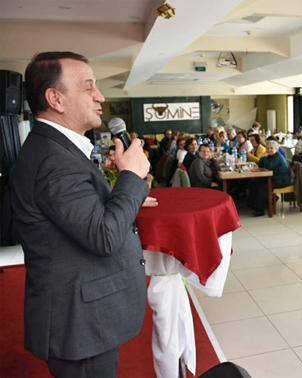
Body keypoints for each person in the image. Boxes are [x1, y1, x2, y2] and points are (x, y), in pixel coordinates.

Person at [12, 51, 156, 377]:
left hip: (86, 315)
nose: (100, 96)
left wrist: (125, 197)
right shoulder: (53, 160)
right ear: (56, 99)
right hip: (81, 322)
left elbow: (79, 214)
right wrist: (130, 179)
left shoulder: (57, 149)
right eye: (88, 86)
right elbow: (103, 236)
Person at [247, 140, 290, 217]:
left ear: (276, 149)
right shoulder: (269, 156)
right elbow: (261, 165)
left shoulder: (278, 157)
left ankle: (260, 210)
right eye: (268, 148)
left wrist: (264, 157)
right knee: (255, 182)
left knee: (264, 187)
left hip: (281, 180)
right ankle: (252, 204)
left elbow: (269, 166)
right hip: (273, 178)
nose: (269, 150)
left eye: (271, 148)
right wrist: (263, 157)